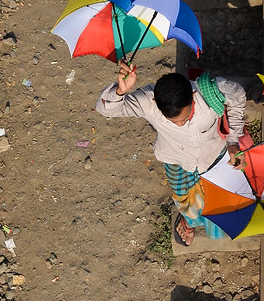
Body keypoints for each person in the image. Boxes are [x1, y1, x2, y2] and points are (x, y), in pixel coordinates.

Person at [96, 63, 247, 246]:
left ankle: (196, 222)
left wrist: (233, 141)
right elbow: (104, 109)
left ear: (193, 97)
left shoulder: (209, 92)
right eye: (172, 121)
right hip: (175, 160)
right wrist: (121, 91)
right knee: (185, 201)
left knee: (216, 213)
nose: (180, 125)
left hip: (213, 157)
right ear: (155, 103)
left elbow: (237, 95)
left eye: (184, 118)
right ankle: (189, 221)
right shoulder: (148, 101)